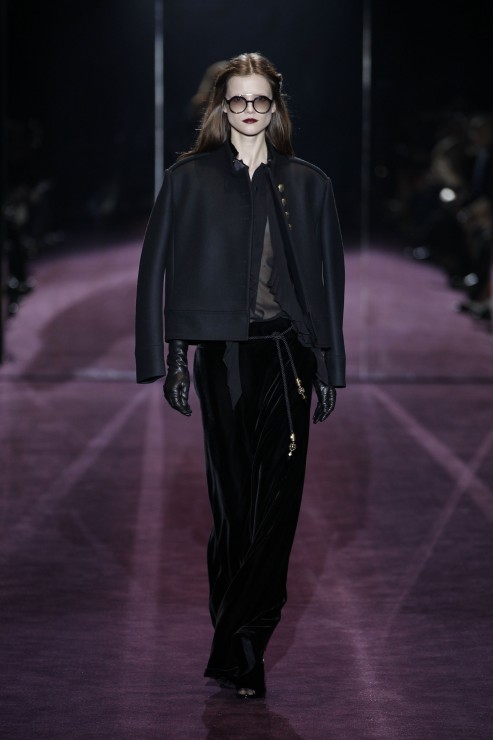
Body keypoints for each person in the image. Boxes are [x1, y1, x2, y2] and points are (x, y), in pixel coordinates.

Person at [135, 52, 345, 699]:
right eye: (237, 99)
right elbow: (160, 270)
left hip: (287, 356)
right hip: (222, 357)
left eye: (260, 100)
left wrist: (330, 365)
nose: (249, 110)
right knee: (233, 505)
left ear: (274, 107)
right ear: (221, 106)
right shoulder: (188, 179)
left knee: (277, 507)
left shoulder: (308, 183)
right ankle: (234, 640)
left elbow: (330, 282)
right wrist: (173, 358)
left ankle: (244, 645)